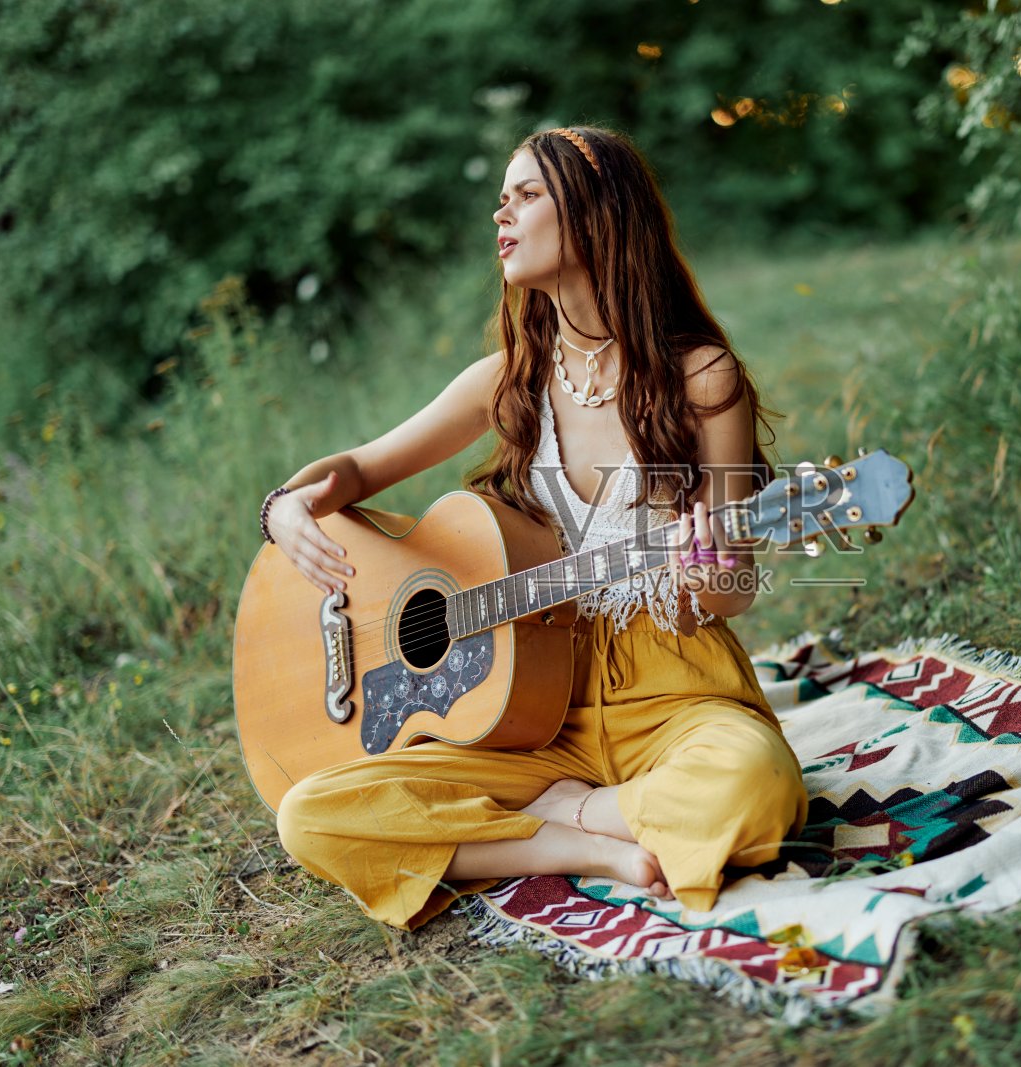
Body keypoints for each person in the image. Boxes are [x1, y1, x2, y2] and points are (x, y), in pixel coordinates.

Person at [262, 126, 809, 929]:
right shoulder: (508, 380)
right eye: (501, 197)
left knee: (755, 787)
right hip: (525, 702)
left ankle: (574, 814)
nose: (500, 215)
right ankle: (580, 842)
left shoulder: (701, 378)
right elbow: (357, 469)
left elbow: (730, 596)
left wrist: (710, 567)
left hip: (672, 684)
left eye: (526, 196)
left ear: (592, 216)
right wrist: (283, 506)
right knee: (308, 812)